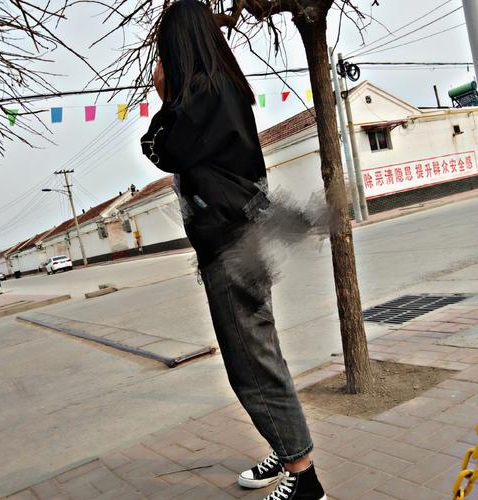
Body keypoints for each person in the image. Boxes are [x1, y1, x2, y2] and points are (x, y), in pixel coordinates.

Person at [141, 1, 326, 498]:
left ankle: (304, 478)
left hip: (229, 243)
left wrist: (165, 97)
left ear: (177, 45)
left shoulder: (202, 96)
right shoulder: (223, 89)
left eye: (163, 49)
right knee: (259, 353)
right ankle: (287, 450)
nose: (160, 62)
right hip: (241, 236)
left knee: (251, 364)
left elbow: (160, 149)